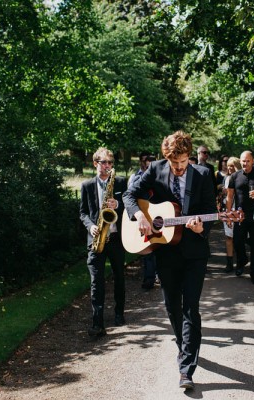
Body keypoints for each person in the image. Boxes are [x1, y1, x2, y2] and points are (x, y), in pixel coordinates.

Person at [123, 131, 217, 390]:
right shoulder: (155, 169)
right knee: (172, 305)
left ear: (189, 157)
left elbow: (211, 209)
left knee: (191, 308)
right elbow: (129, 196)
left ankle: (186, 368)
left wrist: (202, 229)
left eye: (183, 163)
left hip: (195, 252)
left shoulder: (204, 175)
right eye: (174, 163)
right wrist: (138, 216)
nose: (178, 168)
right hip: (165, 249)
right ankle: (184, 345)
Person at [80, 148, 128, 338]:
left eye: (110, 163)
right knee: (96, 282)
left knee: (119, 278)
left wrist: (119, 205)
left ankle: (119, 314)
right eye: (103, 162)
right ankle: (97, 322)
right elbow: (83, 212)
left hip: (116, 238)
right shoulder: (87, 185)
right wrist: (90, 226)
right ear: (95, 164)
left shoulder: (121, 182)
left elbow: (130, 205)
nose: (107, 166)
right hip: (97, 239)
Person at [226, 151, 254, 285]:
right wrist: (228, 214)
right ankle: (242, 260)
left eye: (247, 161)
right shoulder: (234, 176)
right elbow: (230, 197)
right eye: (243, 161)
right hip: (239, 216)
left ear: (252, 161)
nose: (245, 163)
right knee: (237, 241)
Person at [128, 152, 158, 290]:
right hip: (143, 215)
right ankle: (149, 279)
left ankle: (160, 275)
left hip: (158, 214)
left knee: (160, 245)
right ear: (141, 161)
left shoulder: (158, 175)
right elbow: (130, 197)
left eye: (152, 159)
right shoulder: (135, 177)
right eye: (147, 160)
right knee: (147, 249)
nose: (150, 162)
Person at [222, 157, 241, 272]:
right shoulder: (227, 178)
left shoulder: (241, 177)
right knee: (229, 237)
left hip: (238, 211)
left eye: (232, 165)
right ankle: (229, 263)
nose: (229, 168)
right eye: (228, 165)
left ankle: (240, 262)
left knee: (238, 238)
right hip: (228, 209)